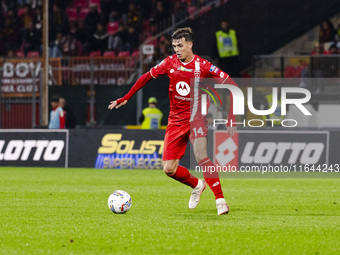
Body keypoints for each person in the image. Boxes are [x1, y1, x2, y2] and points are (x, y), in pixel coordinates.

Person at [108, 27, 237, 215]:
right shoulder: (169, 63)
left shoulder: (203, 66)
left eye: (180, 45)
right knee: (169, 169)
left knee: (201, 155)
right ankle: (197, 185)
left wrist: (231, 117)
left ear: (190, 44)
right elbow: (146, 77)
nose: (177, 49)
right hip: (175, 121)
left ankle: (221, 201)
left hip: (196, 119)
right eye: (174, 46)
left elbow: (232, 85)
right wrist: (127, 96)